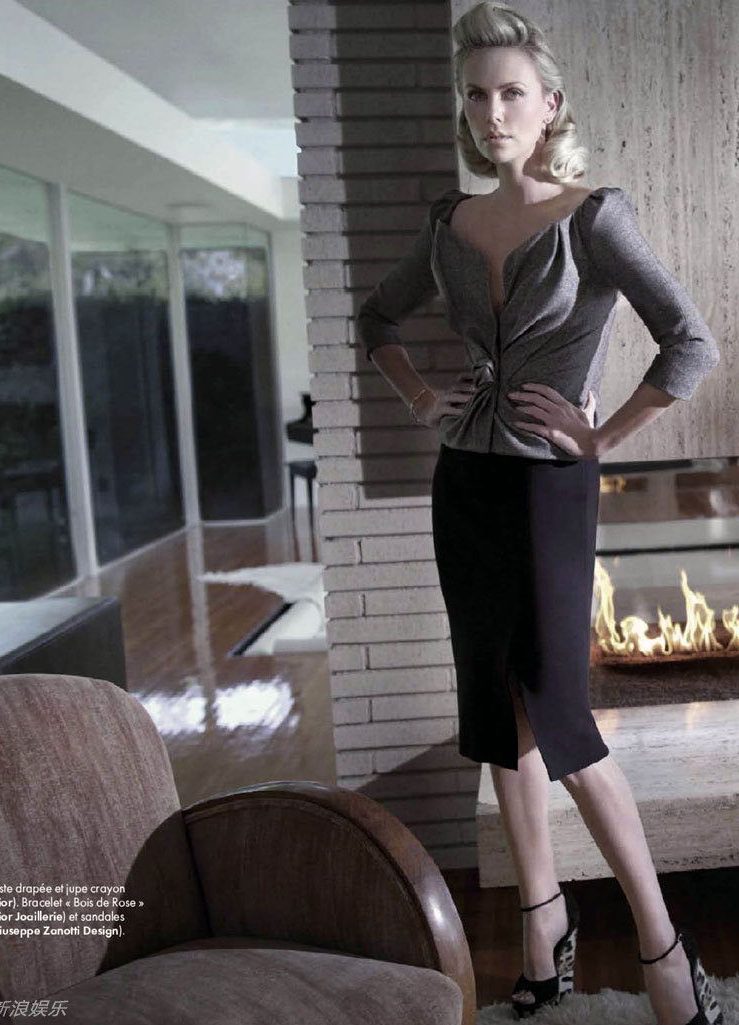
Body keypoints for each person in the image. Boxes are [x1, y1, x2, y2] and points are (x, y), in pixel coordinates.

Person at [355, 3, 724, 1024]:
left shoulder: (592, 217)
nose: (492, 112)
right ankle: (541, 919)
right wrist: (419, 397)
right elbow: (375, 318)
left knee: (560, 713)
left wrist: (602, 437)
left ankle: (661, 943)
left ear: (548, 103)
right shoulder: (448, 223)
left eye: (511, 92)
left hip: (548, 490)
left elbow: (689, 343)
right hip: (465, 490)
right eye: (476, 95)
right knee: (495, 716)